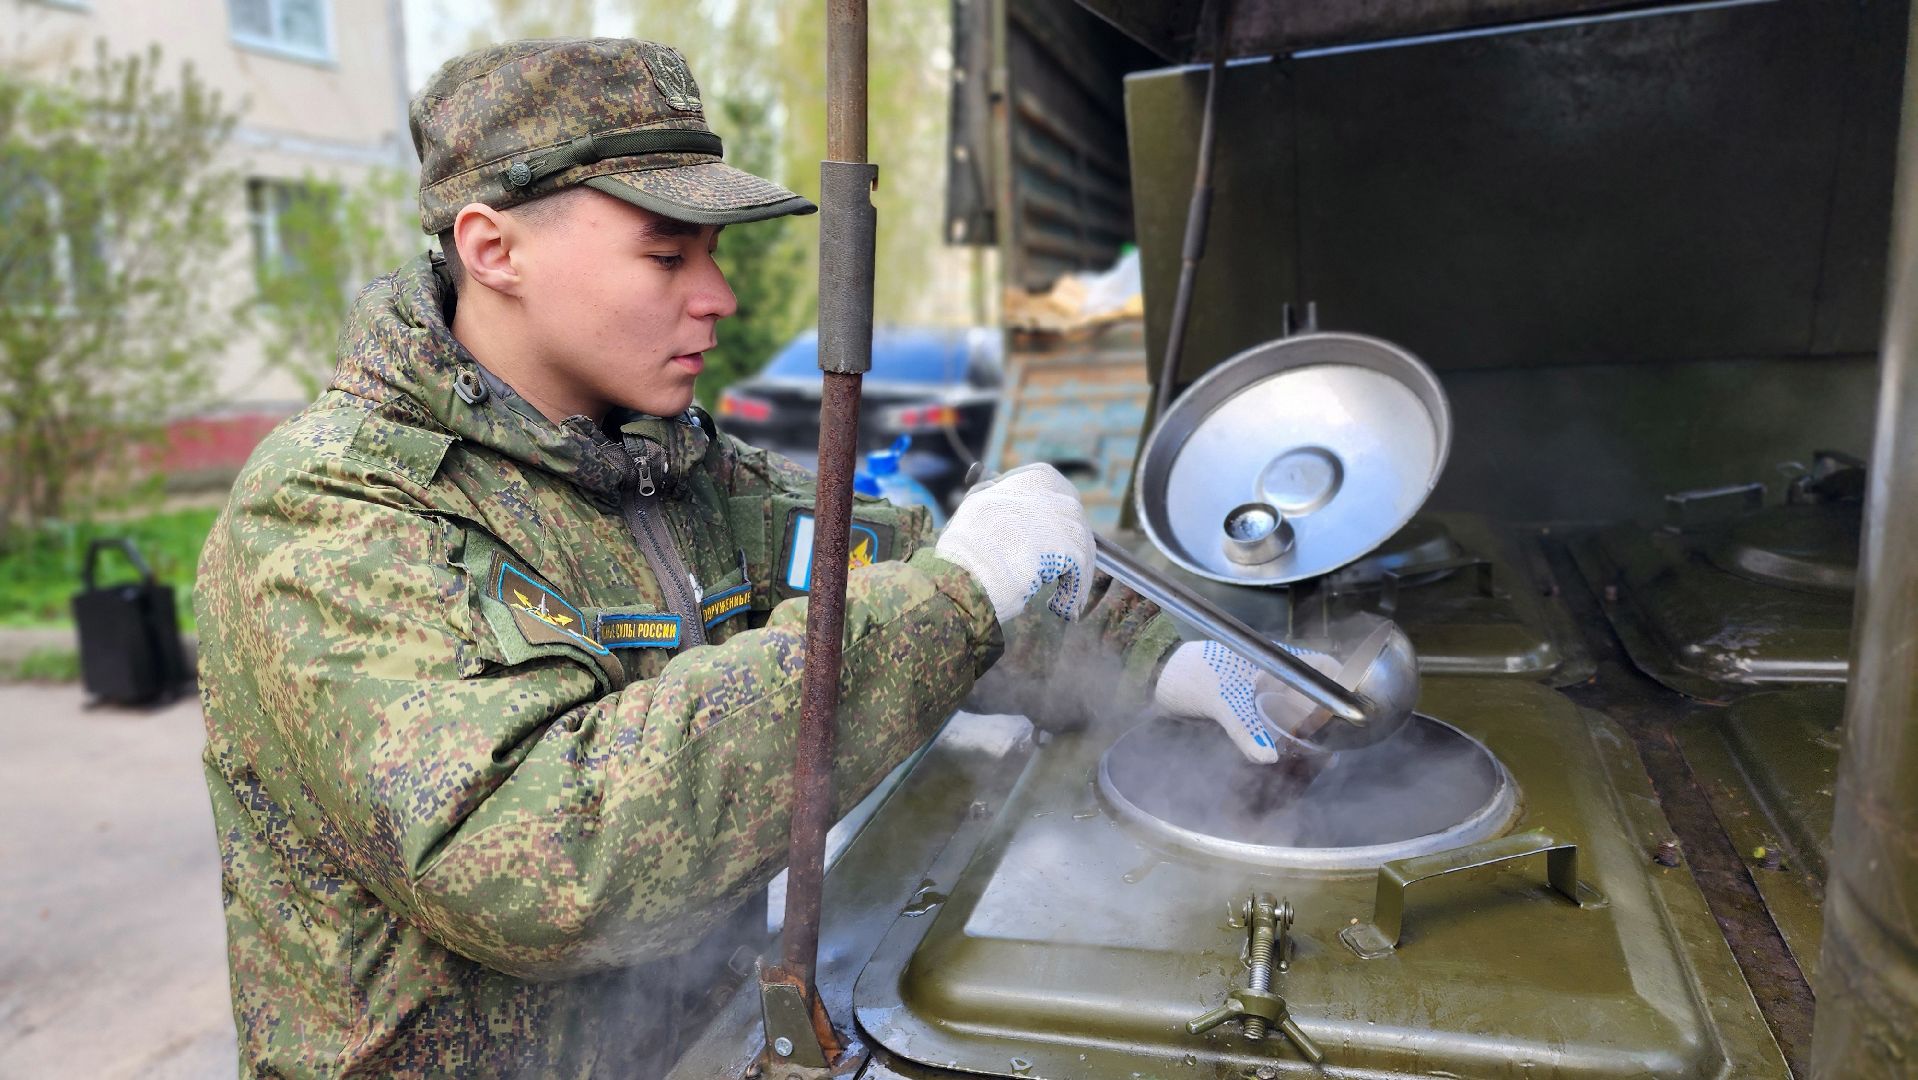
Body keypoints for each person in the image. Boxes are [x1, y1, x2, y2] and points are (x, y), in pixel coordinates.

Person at [197, 36, 1314, 1077]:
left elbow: (904, 572)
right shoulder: (333, 515)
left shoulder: (671, 473)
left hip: (698, 1044)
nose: (718, 297)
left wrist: (1159, 654)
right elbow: (544, 861)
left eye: (716, 253)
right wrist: (958, 598)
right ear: (495, 250)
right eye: (665, 252)